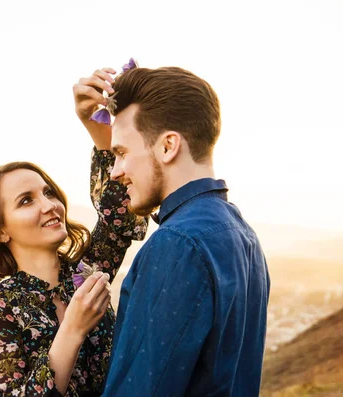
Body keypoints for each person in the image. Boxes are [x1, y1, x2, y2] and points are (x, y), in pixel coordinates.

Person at [0, 68, 147, 396]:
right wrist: (73, 328)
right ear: (1, 230)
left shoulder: (87, 273)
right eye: (26, 201)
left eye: (48, 192)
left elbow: (119, 221)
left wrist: (94, 123)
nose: (49, 205)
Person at [85, 65, 271, 396]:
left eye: (122, 153)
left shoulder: (177, 245)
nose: (115, 172)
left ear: (168, 146)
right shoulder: (242, 234)